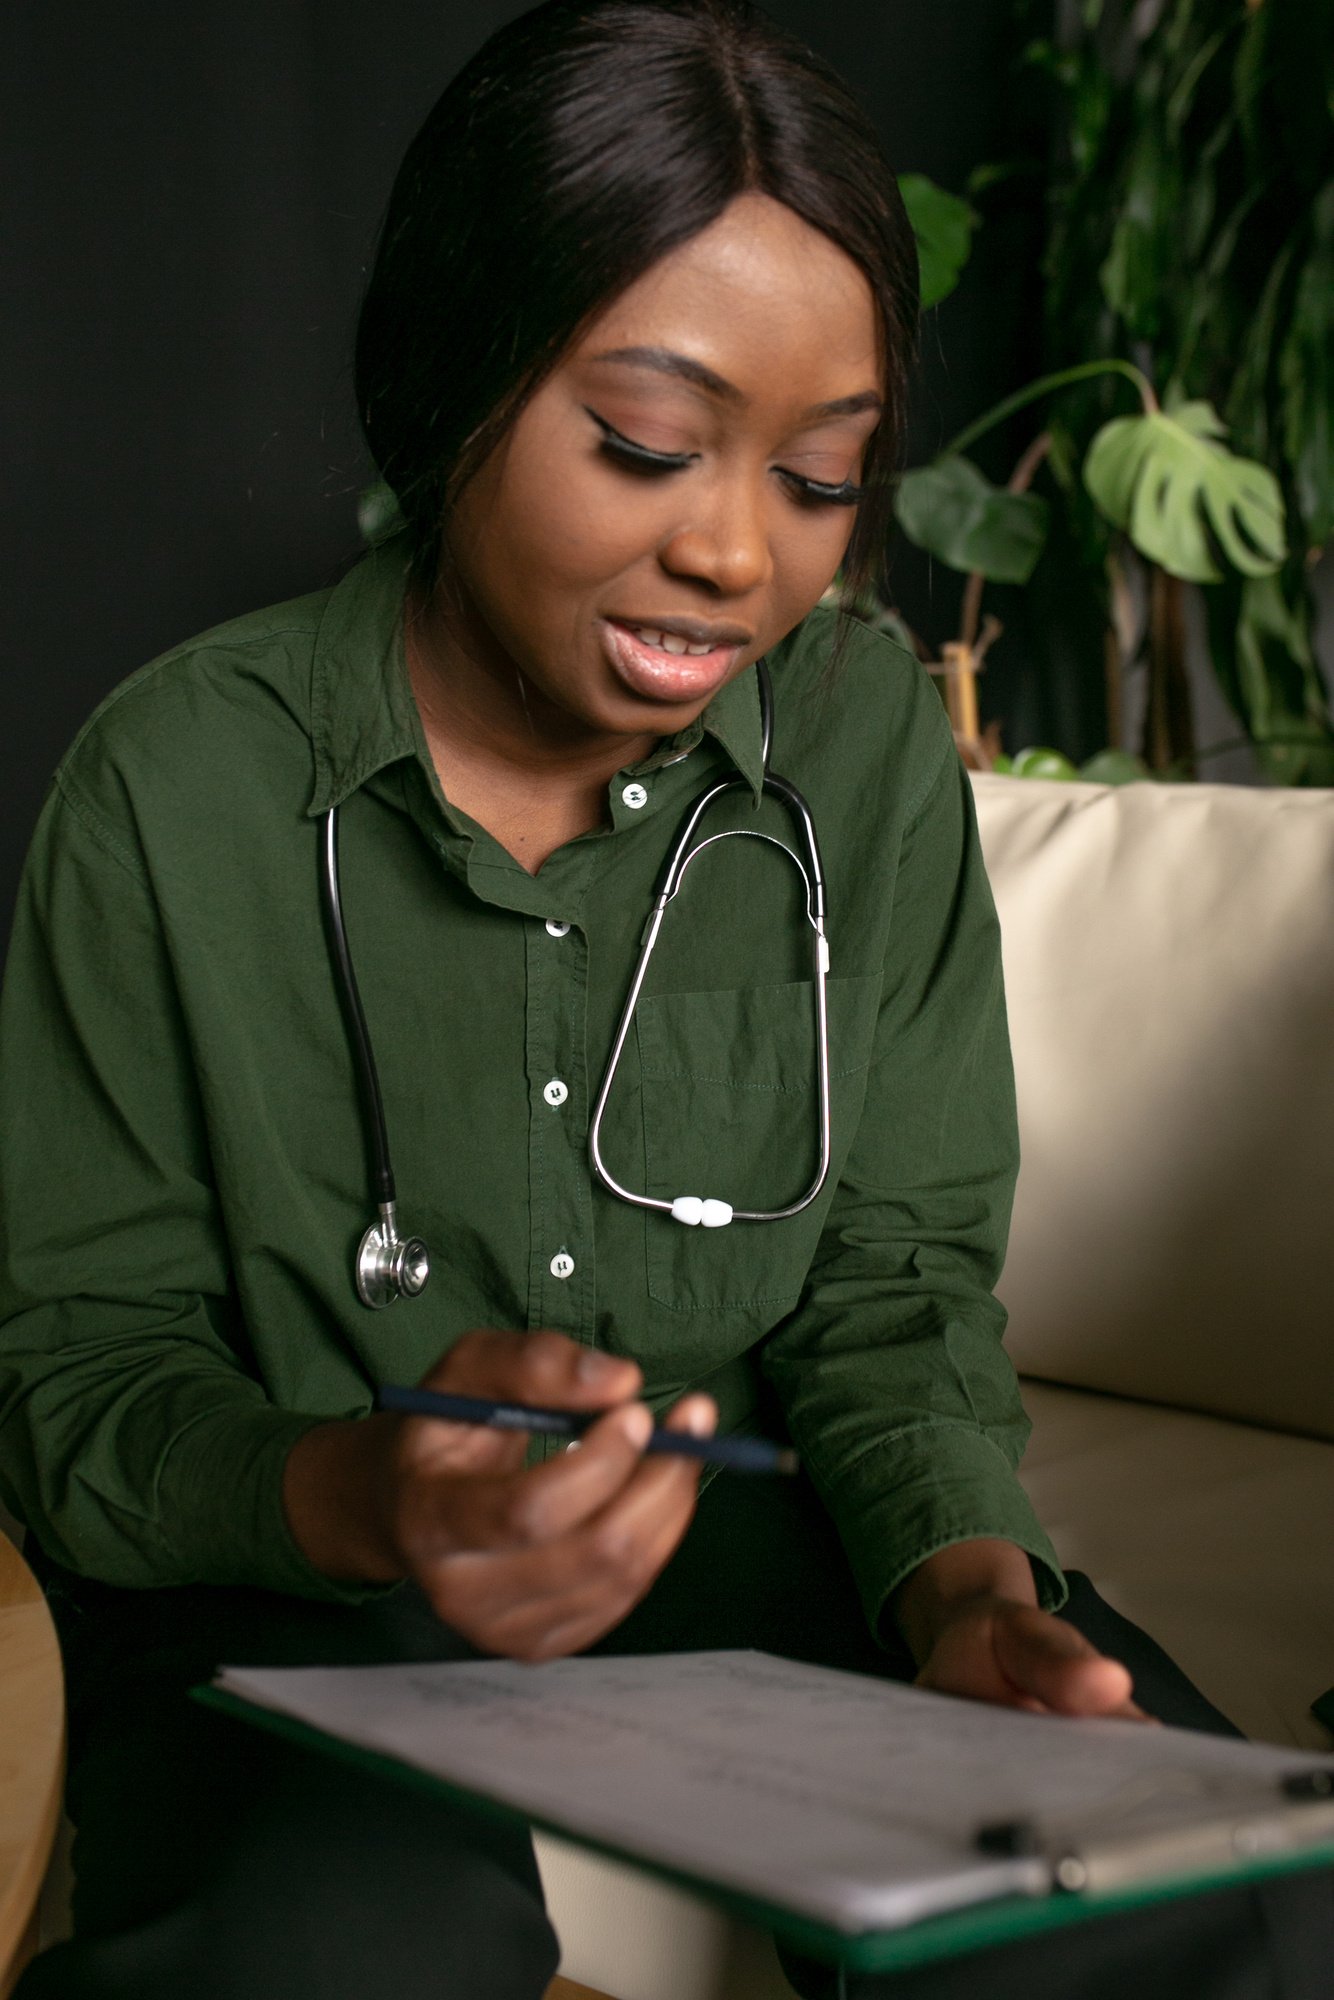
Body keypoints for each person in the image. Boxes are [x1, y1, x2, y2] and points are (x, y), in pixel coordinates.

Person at [0, 3, 1329, 1995]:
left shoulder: (863, 740)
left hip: (760, 1521)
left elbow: (887, 1291)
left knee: (1184, 1895)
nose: (730, 552)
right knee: (336, 1950)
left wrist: (967, 1588)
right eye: (643, 443)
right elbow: (77, 1372)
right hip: (300, 1550)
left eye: (817, 474)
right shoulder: (171, 783)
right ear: (456, 377)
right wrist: (363, 1495)